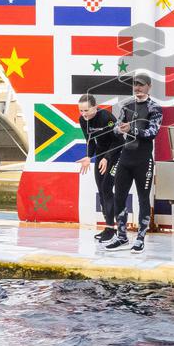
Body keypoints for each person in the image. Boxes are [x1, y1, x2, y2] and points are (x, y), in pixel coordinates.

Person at [104, 72, 162, 254]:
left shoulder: (155, 108)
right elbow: (115, 128)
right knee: (119, 196)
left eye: (142, 84)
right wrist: (119, 128)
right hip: (126, 158)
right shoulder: (127, 105)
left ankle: (140, 238)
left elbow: (152, 132)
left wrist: (132, 129)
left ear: (149, 87)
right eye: (135, 84)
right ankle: (121, 236)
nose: (138, 87)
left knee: (143, 198)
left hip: (143, 160)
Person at [77, 94, 124, 244]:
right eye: (81, 111)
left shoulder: (106, 117)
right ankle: (109, 227)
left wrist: (107, 157)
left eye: (86, 110)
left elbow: (119, 141)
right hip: (101, 155)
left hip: (116, 153)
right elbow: (90, 142)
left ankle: (113, 228)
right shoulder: (82, 120)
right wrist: (88, 156)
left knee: (106, 187)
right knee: (101, 190)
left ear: (95, 107)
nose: (84, 114)